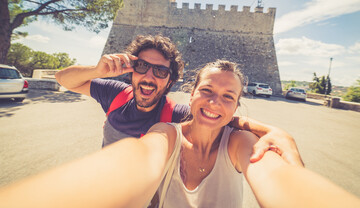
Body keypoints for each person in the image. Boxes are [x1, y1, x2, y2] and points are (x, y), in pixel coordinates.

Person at [1, 60, 359, 208]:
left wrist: (276, 132)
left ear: (237, 106)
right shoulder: (164, 130)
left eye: (227, 96)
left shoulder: (238, 143)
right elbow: (139, 158)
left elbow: (276, 178)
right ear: (190, 92)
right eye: (207, 91)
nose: (214, 103)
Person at [55, 34, 303, 165]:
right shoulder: (114, 93)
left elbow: (220, 116)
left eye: (160, 71)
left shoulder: (176, 113)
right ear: (131, 70)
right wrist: (97, 71)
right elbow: (63, 79)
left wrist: (273, 131)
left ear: (170, 81)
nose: (149, 77)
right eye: (141, 66)